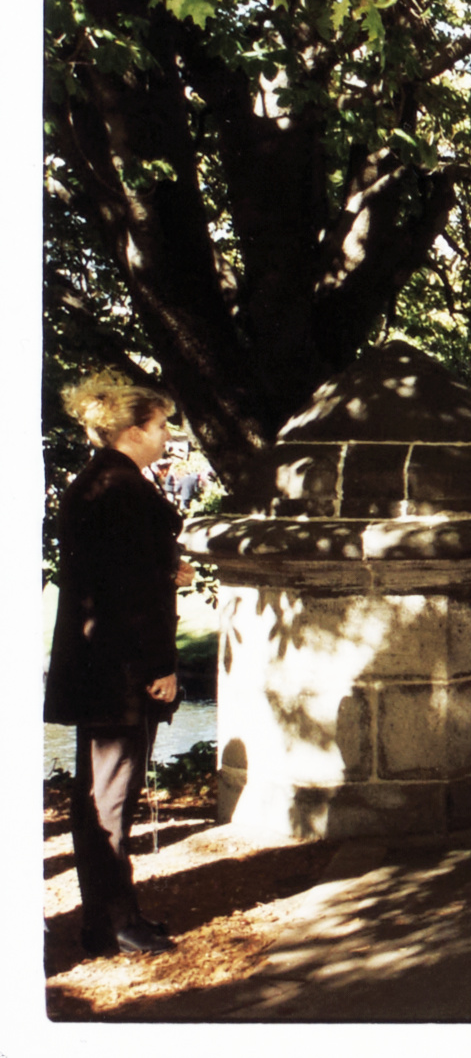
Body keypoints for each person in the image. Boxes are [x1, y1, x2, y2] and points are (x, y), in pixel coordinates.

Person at [46, 370, 191, 955]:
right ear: (133, 430)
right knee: (108, 797)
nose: (166, 436)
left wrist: (165, 570)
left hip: (98, 662)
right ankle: (111, 924)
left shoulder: (99, 483)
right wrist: (161, 666)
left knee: (102, 795)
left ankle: (111, 916)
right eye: (160, 426)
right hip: (121, 667)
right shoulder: (122, 488)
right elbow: (126, 594)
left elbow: (118, 572)